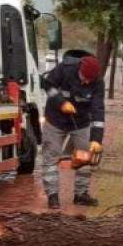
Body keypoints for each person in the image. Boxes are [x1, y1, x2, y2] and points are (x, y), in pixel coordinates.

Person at [41, 49, 105, 209]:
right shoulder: (65, 68)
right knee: (51, 156)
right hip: (55, 119)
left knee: (85, 155)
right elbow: (48, 85)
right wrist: (60, 102)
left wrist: (96, 139)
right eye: (84, 79)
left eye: (89, 81)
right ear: (79, 69)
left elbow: (98, 109)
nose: (85, 83)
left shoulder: (97, 82)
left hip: (80, 121)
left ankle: (81, 194)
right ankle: (53, 195)